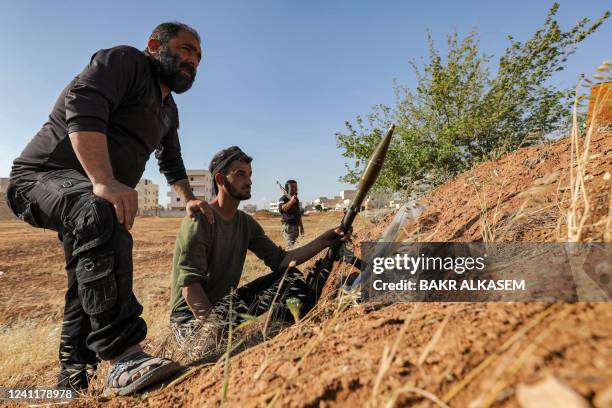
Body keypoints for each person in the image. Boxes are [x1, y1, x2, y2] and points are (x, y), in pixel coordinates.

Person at [5, 22, 214, 396]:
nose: (193, 60)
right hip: (41, 177)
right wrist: (103, 180)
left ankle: (70, 384)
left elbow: (173, 163)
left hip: (91, 195)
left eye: (198, 56)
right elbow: (83, 104)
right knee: (99, 209)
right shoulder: (125, 61)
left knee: (86, 281)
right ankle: (124, 356)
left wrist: (190, 197)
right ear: (154, 46)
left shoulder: (168, 110)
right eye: (185, 49)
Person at [169, 147, 350, 343]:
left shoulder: (246, 223)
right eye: (240, 175)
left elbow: (282, 261)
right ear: (220, 180)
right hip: (190, 319)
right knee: (208, 346)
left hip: (223, 307)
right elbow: (190, 288)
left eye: (249, 175)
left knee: (290, 279)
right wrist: (217, 333)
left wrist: (325, 240)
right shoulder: (200, 220)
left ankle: (281, 340)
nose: (249, 181)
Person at [278, 179, 304, 247]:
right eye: (292, 187)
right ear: (287, 188)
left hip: (296, 227)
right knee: (291, 247)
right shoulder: (283, 198)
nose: (295, 189)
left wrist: (301, 227)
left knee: (295, 246)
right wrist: (291, 201)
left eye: (296, 186)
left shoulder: (296, 199)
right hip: (288, 227)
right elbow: (282, 209)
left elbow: (298, 214)